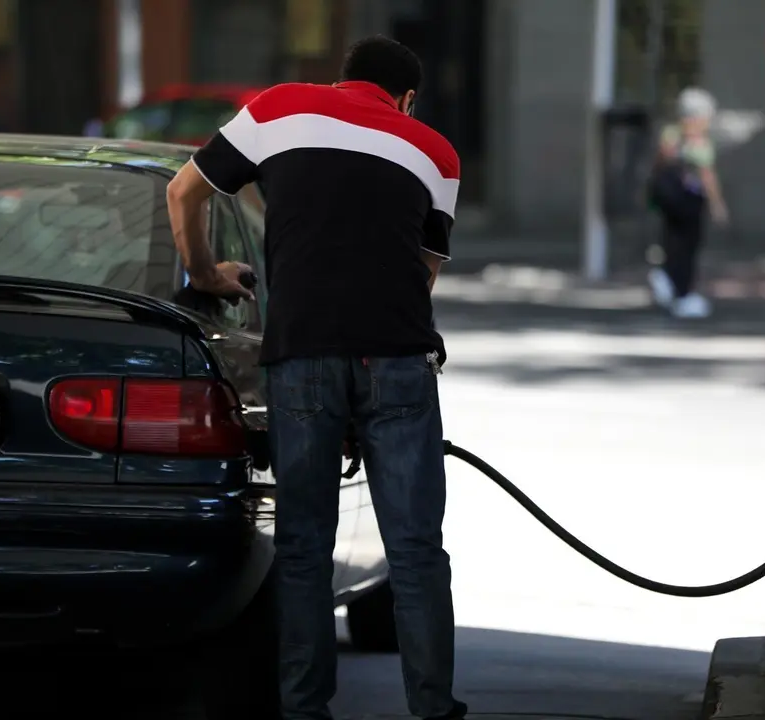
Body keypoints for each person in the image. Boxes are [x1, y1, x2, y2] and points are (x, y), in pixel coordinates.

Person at [165, 35, 467, 720]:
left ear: (342, 81)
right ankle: (433, 709)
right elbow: (421, 277)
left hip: (301, 358)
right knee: (416, 549)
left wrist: (208, 275)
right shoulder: (436, 152)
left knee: (303, 546)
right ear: (407, 99)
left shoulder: (276, 111)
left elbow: (184, 191)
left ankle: (304, 711)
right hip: (396, 361)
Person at [647, 87, 730, 319]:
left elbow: (660, 165)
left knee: (672, 246)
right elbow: (707, 176)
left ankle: (669, 282)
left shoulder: (670, 135)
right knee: (687, 250)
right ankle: (680, 292)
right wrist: (717, 204)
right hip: (689, 206)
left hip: (669, 204)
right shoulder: (699, 143)